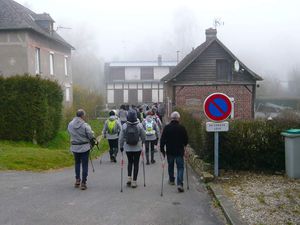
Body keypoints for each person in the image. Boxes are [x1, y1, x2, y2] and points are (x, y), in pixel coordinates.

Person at [68, 109, 96, 190]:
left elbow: (69, 132)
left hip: (74, 146)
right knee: (84, 165)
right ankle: (83, 183)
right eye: (84, 115)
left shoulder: (70, 124)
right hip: (84, 147)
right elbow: (90, 135)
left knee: (77, 163)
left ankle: (77, 180)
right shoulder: (85, 125)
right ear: (82, 116)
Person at [160, 111, 188, 193]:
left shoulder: (167, 128)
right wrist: (184, 145)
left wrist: (162, 150)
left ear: (171, 118)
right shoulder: (182, 128)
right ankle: (180, 184)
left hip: (170, 151)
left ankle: (171, 180)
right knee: (180, 167)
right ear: (178, 118)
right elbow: (186, 140)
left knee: (171, 165)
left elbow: (162, 140)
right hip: (179, 151)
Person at [119, 109, 145, 188]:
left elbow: (121, 138)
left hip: (128, 148)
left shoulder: (124, 125)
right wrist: (143, 142)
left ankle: (129, 178)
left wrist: (121, 146)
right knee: (136, 163)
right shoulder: (139, 125)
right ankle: (134, 181)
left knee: (130, 162)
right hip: (137, 147)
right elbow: (144, 136)